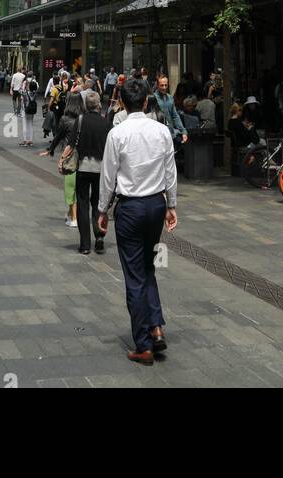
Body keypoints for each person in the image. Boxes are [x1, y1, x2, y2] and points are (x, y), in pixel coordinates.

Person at [98, 77, 177, 366]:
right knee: (148, 267)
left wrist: (102, 210)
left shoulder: (117, 134)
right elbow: (171, 171)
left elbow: (108, 177)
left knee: (134, 275)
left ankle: (143, 344)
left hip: (130, 208)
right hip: (156, 205)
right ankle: (156, 328)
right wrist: (172, 205)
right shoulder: (162, 131)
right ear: (146, 101)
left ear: (122, 102)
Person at [66, 90, 110, 255]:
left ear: (85, 105)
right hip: (101, 169)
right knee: (98, 203)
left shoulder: (81, 120)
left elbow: (70, 144)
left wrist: (62, 159)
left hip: (83, 167)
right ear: (99, 105)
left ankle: (85, 245)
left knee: (83, 204)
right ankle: (99, 236)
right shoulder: (106, 123)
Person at [46, 89, 85, 227]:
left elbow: (58, 135)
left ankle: (74, 218)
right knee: (80, 189)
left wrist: (51, 150)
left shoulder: (65, 119)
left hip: (69, 156)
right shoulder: (84, 118)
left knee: (70, 188)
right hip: (83, 157)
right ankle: (71, 215)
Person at [153, 74, 188, 146]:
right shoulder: (153, 98)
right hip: (157, 135)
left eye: (166, 85)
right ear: (157, 85)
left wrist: (183, 131)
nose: (164, 87)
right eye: (162, 85)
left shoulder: (170, 98)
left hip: (170, 132)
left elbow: (175, 116)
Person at [18, 74, 38, 146]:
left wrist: (24, 84)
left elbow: (19, 90)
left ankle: (25, 141)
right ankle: (31, 141)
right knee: (31, 124)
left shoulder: (25, 93)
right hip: (32, 110)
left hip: (25, 110)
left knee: (25, 125)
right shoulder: (35, 93)